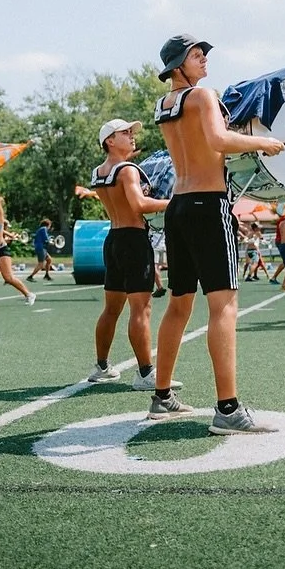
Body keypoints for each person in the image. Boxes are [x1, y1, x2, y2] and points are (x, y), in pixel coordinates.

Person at [149, 34, 284, 433]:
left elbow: (201, 145)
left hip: (178, 208)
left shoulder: (164, 105)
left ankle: (162, 397)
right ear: (178, 64)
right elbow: (216, 140)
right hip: (208, 206)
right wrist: (264, 142)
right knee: (224, 305)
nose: (204, 60)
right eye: (196, 55)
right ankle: (228, 410)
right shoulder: (203, 96)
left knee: (179, 304)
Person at [85, 118, 175, 390]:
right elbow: (139, 204)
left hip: (113, 240)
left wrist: (126, 159)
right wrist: (176, 202)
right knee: (141, 309)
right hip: (134, 241)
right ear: (109, 141)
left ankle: (101, 366)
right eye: (124, 133)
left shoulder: (99, 172)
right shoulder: (127, 171)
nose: (132, 136)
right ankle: (146, 373)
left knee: (111, 309)